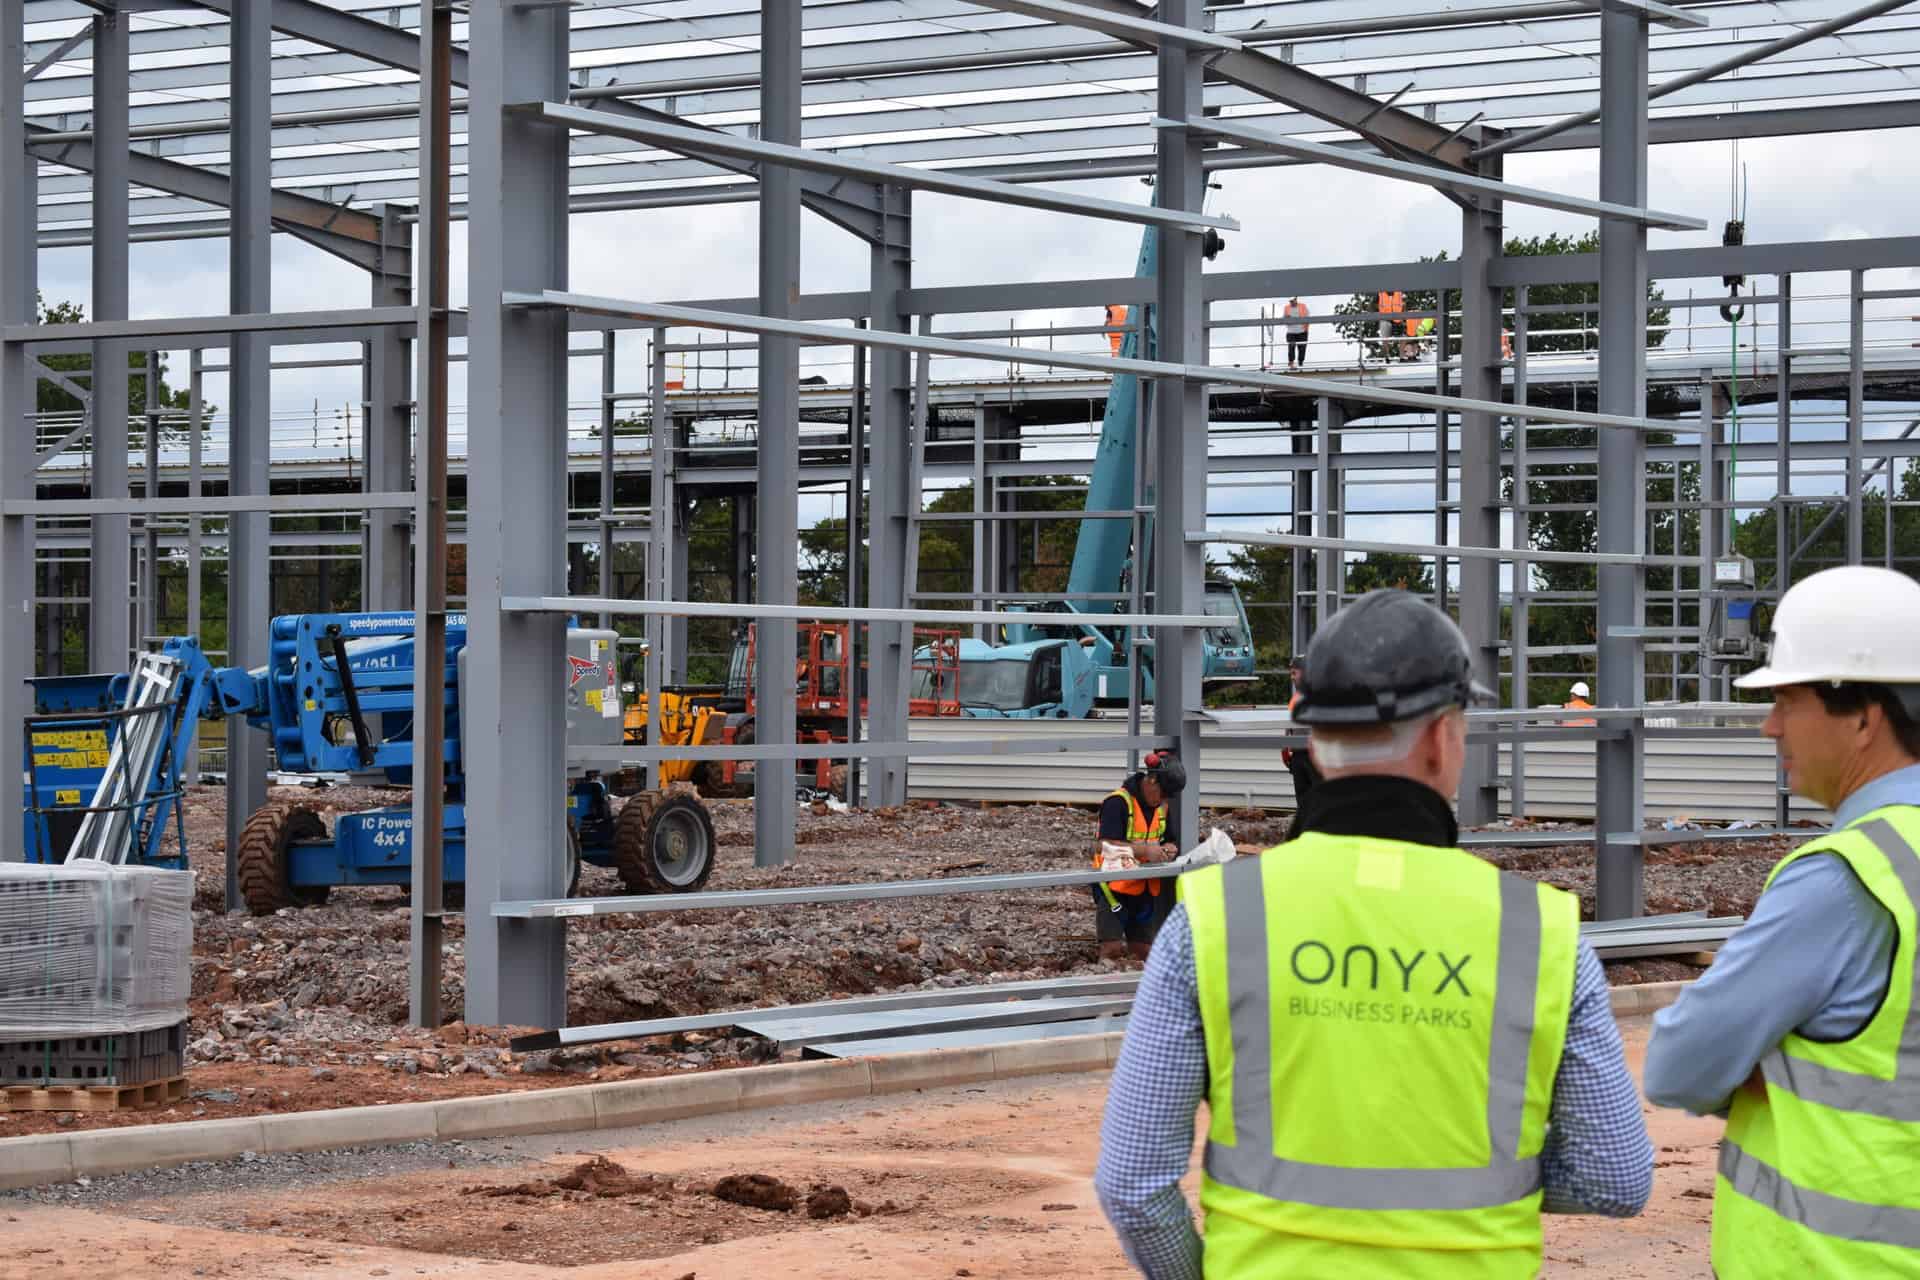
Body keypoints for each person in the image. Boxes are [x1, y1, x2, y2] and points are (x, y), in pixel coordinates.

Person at [1096, 589, 1651, 1277]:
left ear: (1313, 737)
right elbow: (1615, 1180)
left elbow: (1133, 1185)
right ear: (1445, 734)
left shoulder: (1216, 918)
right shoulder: (1542, 935)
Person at [1644, 565, 1920, 1277]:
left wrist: (1768, 1062)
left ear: (1864, 715)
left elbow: (1681, 1060)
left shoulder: (1848, 876)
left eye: (1787, 701)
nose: (1770, 727)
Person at [1092, 750, 1185, 962]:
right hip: (1114, 887)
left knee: (1144, 952)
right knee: (1112, 948)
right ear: (1151, 780)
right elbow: (1104, 845)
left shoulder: (1161, 807)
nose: (1163, 799)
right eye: (1162, 793)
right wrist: (1145, 851)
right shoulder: (1118, 803)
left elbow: (1169, 839)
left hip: (1144, 888)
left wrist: (1169, 848)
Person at [1281, 660, 1320, 805]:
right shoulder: (1296, 697)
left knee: (1318, 798)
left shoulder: (1318, 695)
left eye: (1294, 673)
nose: (1291, 677)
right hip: (1298, 756)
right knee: (1303, 800)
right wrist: (1285, 748)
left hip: (1315, 755)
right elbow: (1288, 724)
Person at [1376, 289, 1404, 362]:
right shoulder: (1381, 293)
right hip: (1385, 318)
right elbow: (1373, 304)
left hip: (1398, 318)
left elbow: (1403, 303)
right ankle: (1387, 358)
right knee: (1385, 339)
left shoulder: (1399, 291)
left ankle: (1402, 357)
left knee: (1402, 338)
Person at [1282, 296, 1309, 369]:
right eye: (1290, 301)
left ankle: (1300, 362)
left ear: (1296, 300)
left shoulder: (1303, 306)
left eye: (1292, 301)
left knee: (1302, 348)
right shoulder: (1286, 307)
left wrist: (1306, 329)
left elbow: (1307, 317)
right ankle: (1291, 363)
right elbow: (1283, 319)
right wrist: (1287, 318)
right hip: (1291, 332)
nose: (1291, 302)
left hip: (1302, 331)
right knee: (1291, 347)